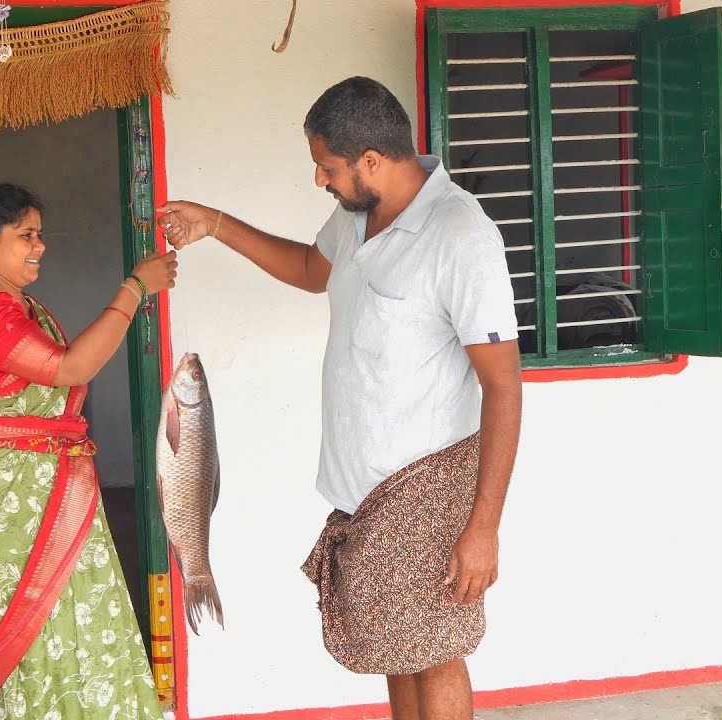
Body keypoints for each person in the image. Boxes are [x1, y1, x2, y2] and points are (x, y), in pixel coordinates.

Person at [156, 77, 522, 720]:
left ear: (371, 162)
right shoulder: (358, 214)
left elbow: (504, 385)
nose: (319, 180)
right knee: (395, 647)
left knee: (434, 650)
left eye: (327, 168)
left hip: (427, 485)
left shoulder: (460, 236)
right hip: (363, 490)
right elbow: (307, 269)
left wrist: (483, 526)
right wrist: (214, 225)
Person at [0, 183, 176, 720]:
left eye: (40, 234)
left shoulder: (14, 304)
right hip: (8, 503)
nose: (38, 246)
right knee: (40, 638)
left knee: (79, 625)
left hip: (45, 489)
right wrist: (135, 288)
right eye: (25, 236)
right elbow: (70, 369)